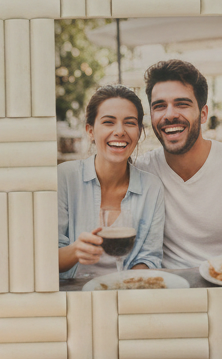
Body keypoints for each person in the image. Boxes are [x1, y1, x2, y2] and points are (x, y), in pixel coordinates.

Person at [135, 60, 222, 269]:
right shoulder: (141, 171)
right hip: (170, 292)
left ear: (203, 114)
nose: (169, 114)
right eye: (159, 106)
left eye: (182, 104)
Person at [58, 85, 165, 280]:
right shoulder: (65, 177)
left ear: (139, 132)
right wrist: (75, 251)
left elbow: (149, 258)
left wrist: (121, 287)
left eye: (130, 123)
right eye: (108, 122)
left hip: (127, 296)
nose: (119, 131)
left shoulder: (152, 187)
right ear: (90, 131)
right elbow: (44, 257)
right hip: (73, 298)